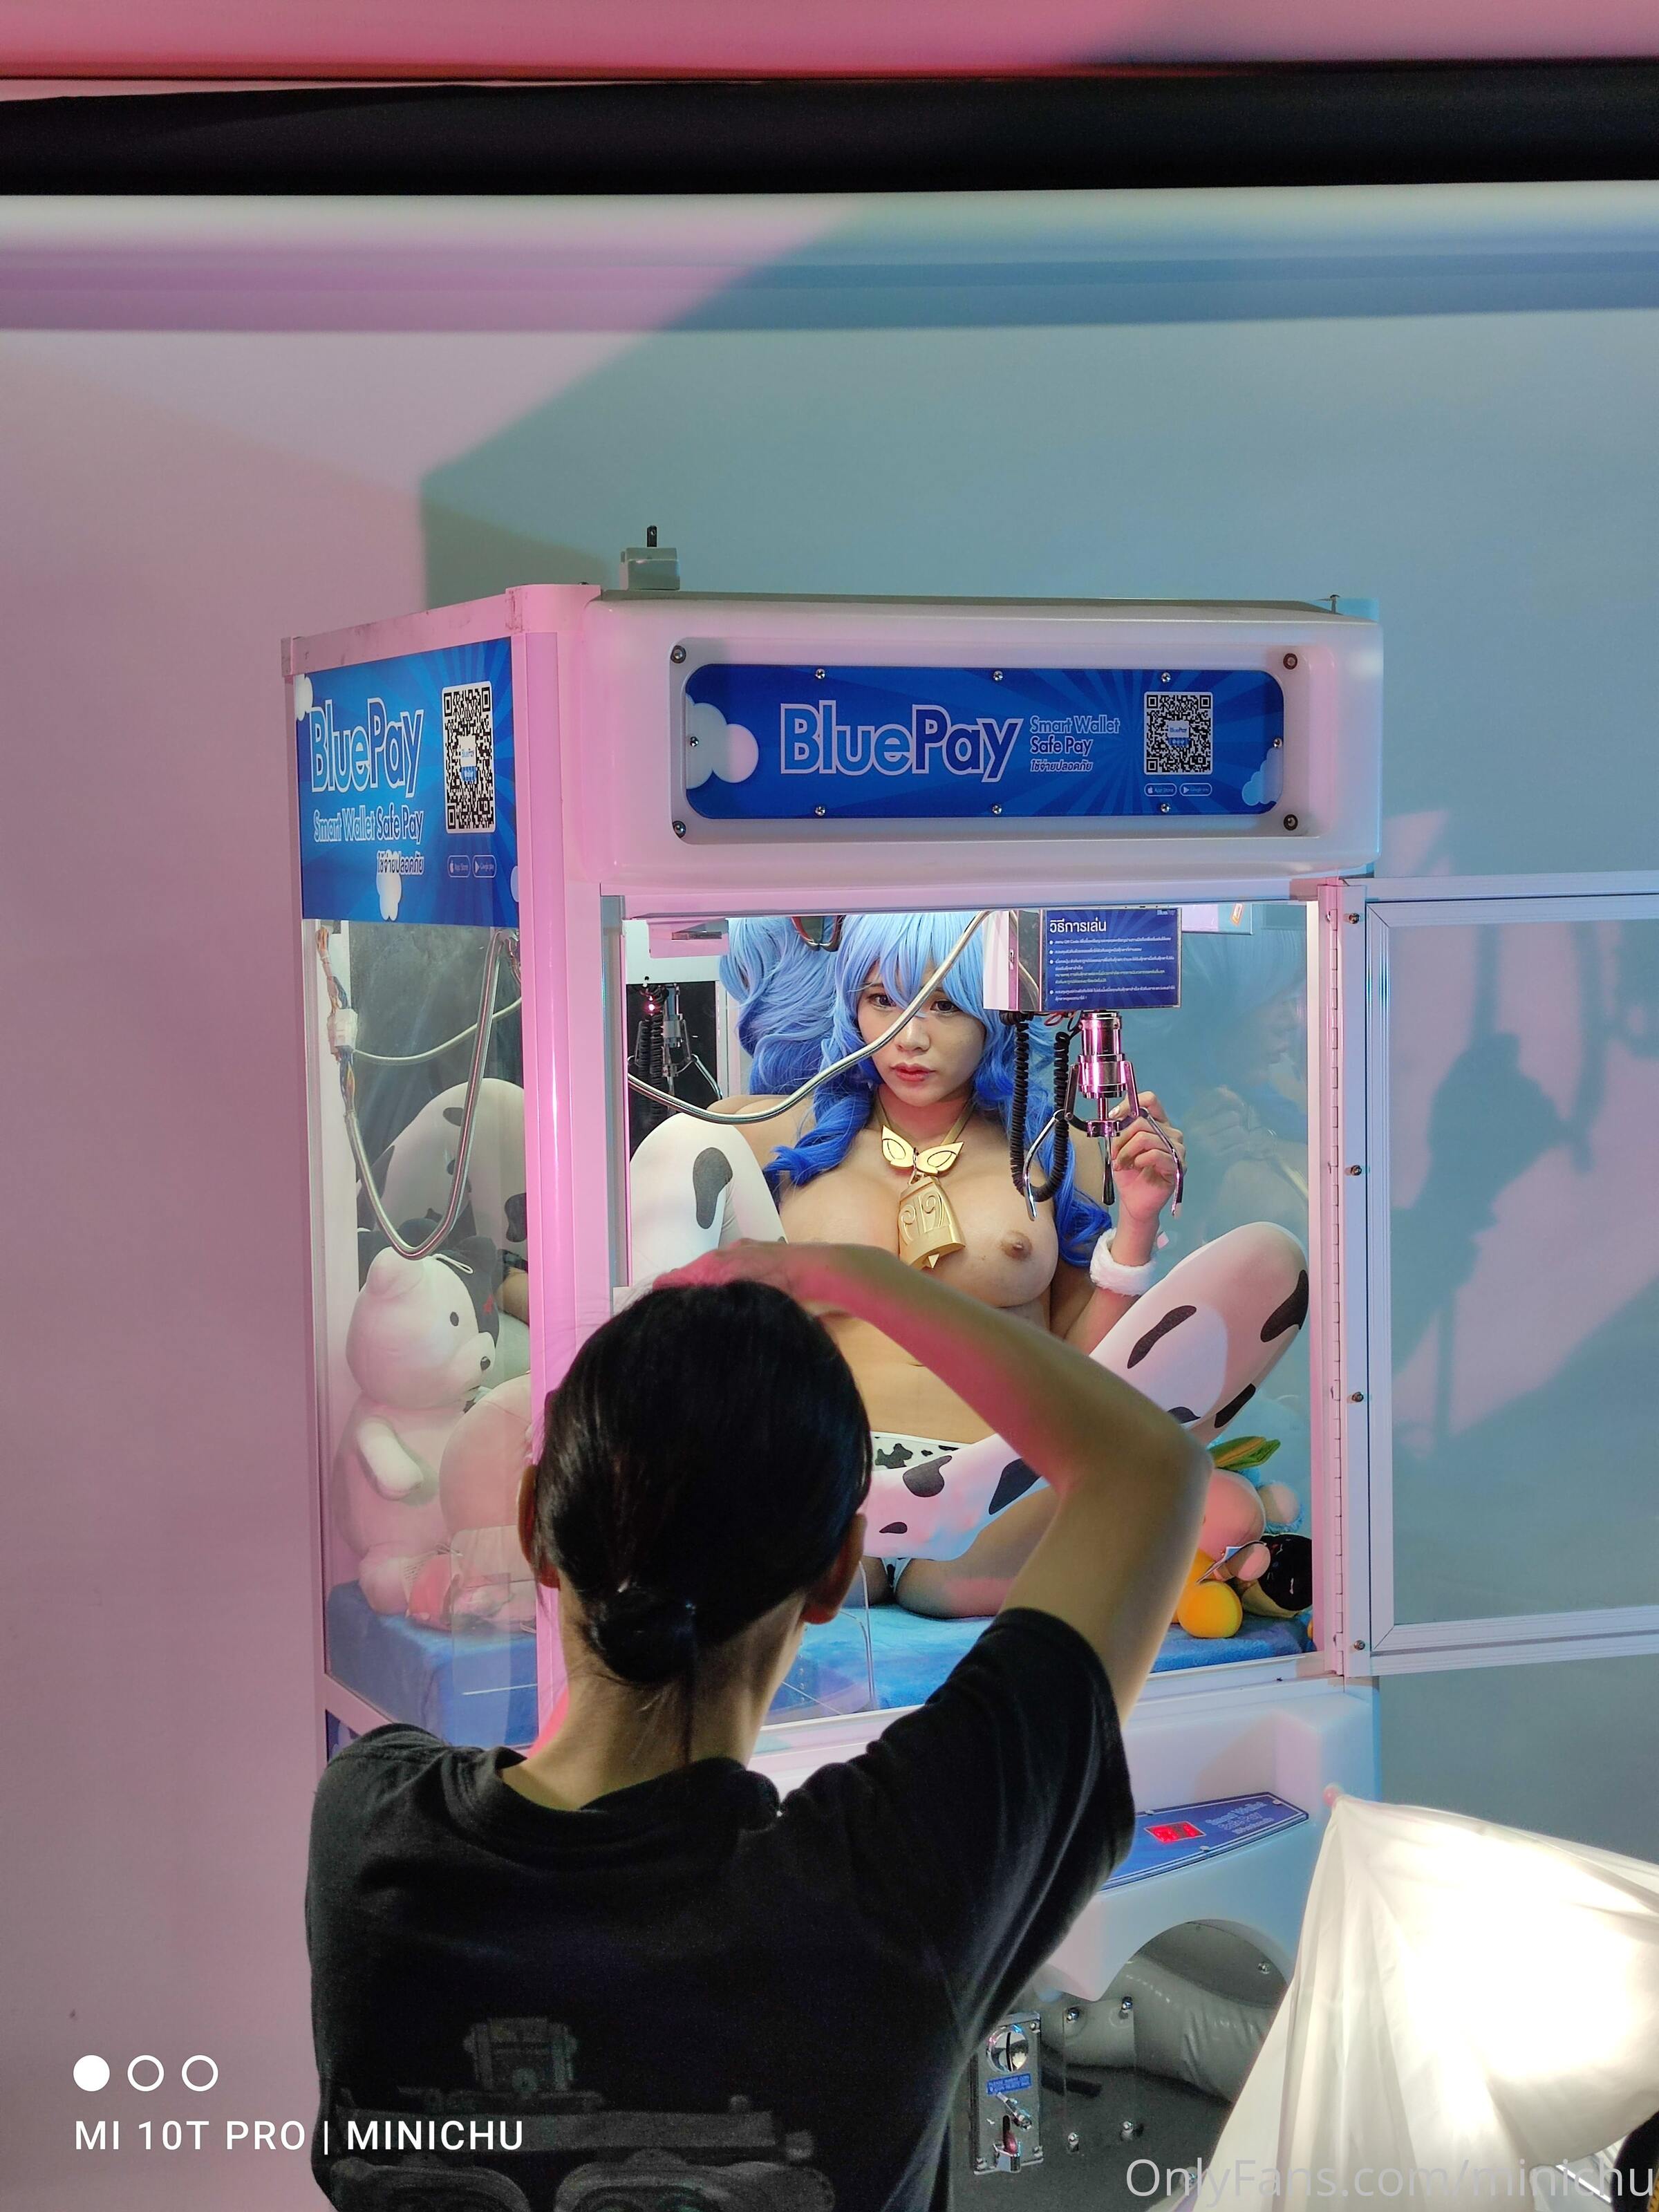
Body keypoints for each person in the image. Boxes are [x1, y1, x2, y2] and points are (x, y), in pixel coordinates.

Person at [306, 1238, 1210, 2212]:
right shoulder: (892, 1889)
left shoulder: (367, 1831)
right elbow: (1146, 1466)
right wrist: (841, 1273)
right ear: (838, 1570)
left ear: (535, 1528)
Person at [628, 910, 1306, 1619]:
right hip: (824, 1487)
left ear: (995, 1010)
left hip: (999, 1505)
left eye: (946, 1005)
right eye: (882, 999)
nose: (910, 1036)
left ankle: (1102, 1514)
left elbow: (1086, 1368)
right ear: (851, 1004)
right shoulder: (766, 1134)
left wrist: (1137, 1223)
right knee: (681, 1148)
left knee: (1268, 1262)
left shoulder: (1060, 1151)